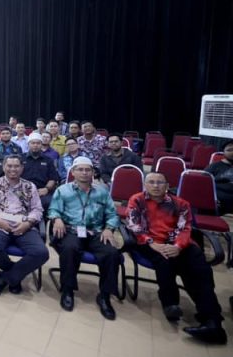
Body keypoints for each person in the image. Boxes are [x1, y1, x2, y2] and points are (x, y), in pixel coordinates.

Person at [126, 172, 227, 344]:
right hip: (149, 242)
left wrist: (178, 246)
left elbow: (185, 229)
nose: (155, 186)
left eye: (160, 182)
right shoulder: (137, 200)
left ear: (167, 185)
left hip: (180, 244)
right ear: (145, 184)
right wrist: (151, 242)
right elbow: (133, 225)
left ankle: (212, 322)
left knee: (200, 270)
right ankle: (170, 304)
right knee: (164, 262)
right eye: (151, 182)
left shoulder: (180, 204)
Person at [48, 156, 120, 320]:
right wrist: (57, 219)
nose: (84, 173)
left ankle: (105, 296)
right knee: (69, 249)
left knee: (112, 253)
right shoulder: (63, 190)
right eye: (80, 169)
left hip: (96, 232)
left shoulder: (102, 191)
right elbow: (53, 209)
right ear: (73, 172)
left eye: (88, 170)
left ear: (93, 173)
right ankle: (67, 289)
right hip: (71, 229)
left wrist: (109, 229)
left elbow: (112, 214)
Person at [0, 156, 48, 295]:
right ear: (3, 167)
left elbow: (37, 209)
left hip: (24, 225)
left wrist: (28, 223)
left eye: (16, 166)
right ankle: (15, 276)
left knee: (41, 253)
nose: (13, 169)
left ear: (22, 168)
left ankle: (7, 278)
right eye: (9, 166)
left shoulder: (29, 186)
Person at [21, 134, 59, 209]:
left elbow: (53, 178)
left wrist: (46, 189)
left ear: (41, 144)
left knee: (49, 203)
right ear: (28, 144)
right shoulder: (21, 158)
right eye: (33, 143)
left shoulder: (48, 160)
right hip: (23, 190)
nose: (35, 145)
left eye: (38, 143)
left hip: (42, 190)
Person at [205, 140, 233, 214]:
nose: (232, 152)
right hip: (219, 199)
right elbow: (203, 183)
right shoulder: (214, 166)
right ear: (223, 152)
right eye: (229, 150)